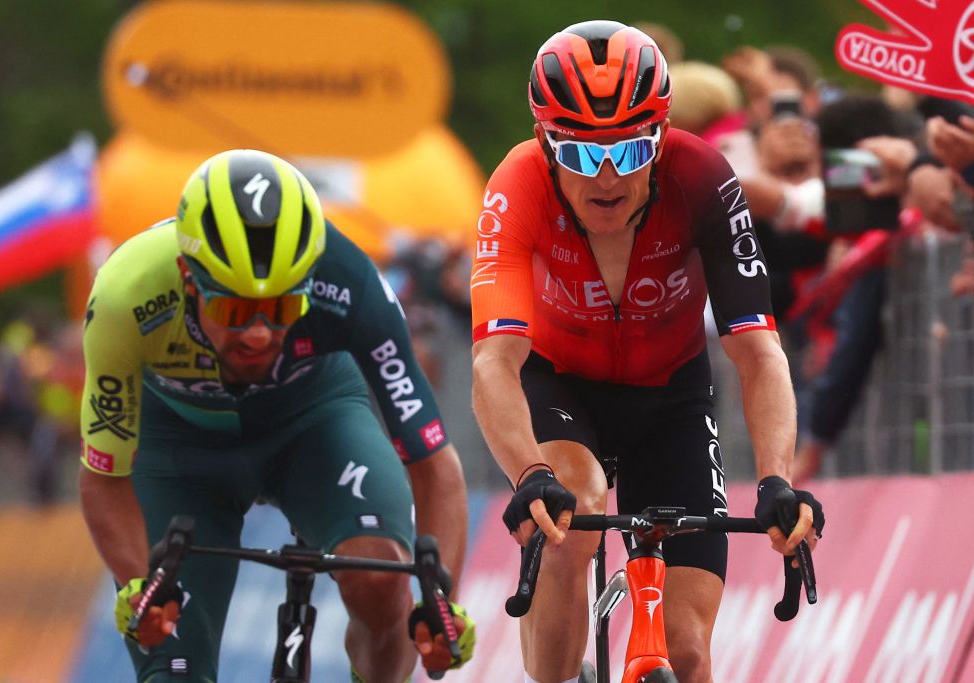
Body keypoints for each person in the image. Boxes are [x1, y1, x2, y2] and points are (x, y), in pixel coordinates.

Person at [469, 21, 823, 683]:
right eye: (580, 156)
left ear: (661, 140)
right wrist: (526, 474)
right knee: (570, 511)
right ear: (545, 145)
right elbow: (495, 361)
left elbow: (758, 350)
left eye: (630, 153)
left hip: (671, 397)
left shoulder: (704, 177)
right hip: (560, 384)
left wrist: (777, 477)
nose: (606, 178)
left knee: (686, 653)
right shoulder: (516, 183)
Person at [79, 149, 474, 682]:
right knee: (172, 663)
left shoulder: (349, 282)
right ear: (188, 279)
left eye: (283, 309)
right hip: (178, 447)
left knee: (381, 580)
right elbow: (105, 474)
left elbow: (433, 463)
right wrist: (137, 585)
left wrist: (439, 600)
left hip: (314, 423)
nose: (260, 333)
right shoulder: (127, 294)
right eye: (235, 312)